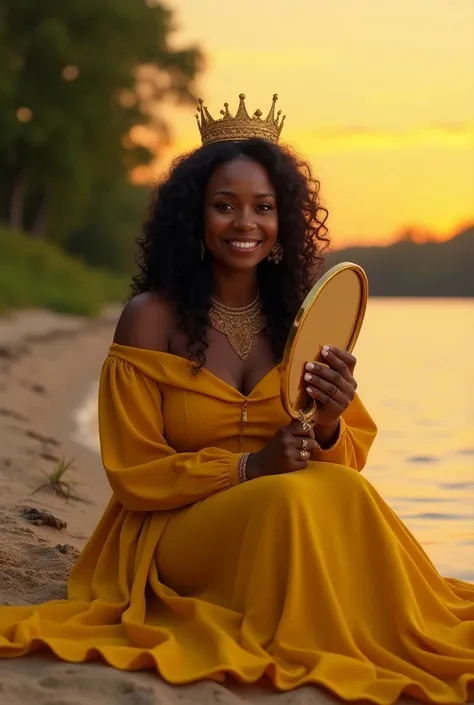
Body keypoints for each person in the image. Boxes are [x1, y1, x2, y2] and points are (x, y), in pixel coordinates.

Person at [0, 93, 473, 705]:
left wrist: (328, 425)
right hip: (173, 533)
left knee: (348, 490)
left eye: (263, 207)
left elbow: (341, 462)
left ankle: (388, 632)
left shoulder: (296, 321)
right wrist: (249, 467)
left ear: (283, 223)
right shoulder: (151, 319)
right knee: (284, 501)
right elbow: (132, 477)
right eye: (225, 206)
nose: (244, 223)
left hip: (277, 521)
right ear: (194, 218)